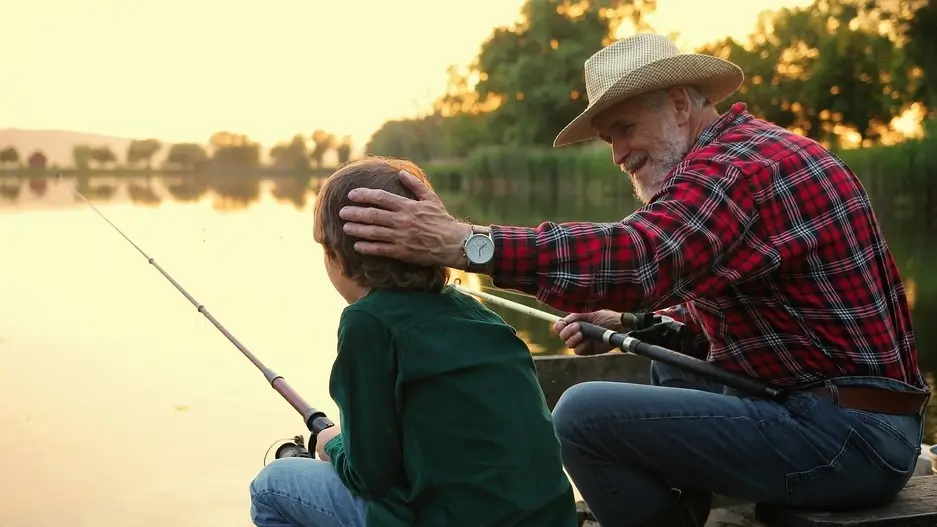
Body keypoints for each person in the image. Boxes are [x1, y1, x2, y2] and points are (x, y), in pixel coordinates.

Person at [334, 33, 932, 526]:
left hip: (851, 441)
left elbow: (643, 257)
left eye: (622, 128)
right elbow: (739, 326)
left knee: (582, 415)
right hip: (847, 421)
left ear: (678, 103)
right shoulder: (745, 154)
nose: (617, 154)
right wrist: (631, 325)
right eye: (608, 138)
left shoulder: (739, 169)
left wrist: (466, 243)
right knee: (667, 365)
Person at [248, 156, 578, 527]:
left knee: (270, 486)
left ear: (336, 256)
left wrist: (332, 443)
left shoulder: (367, 322)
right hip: (551, 519)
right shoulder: (478, 314)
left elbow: (371, 476)